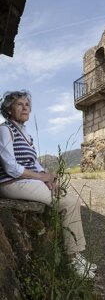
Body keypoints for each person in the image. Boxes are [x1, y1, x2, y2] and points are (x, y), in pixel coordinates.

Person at [0, 90, 96, 279]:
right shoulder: (5, 129)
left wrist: (49, 176)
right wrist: (40, 177)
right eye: (19, 104)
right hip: (11, 183)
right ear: (9, 109)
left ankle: (76, 254)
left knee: (65, 197)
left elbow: (34, 162)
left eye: (27, 104)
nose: (25, 107)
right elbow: (10, 166)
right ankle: (72, 258)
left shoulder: (25, 133)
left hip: (26, 180)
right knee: (69, 203)